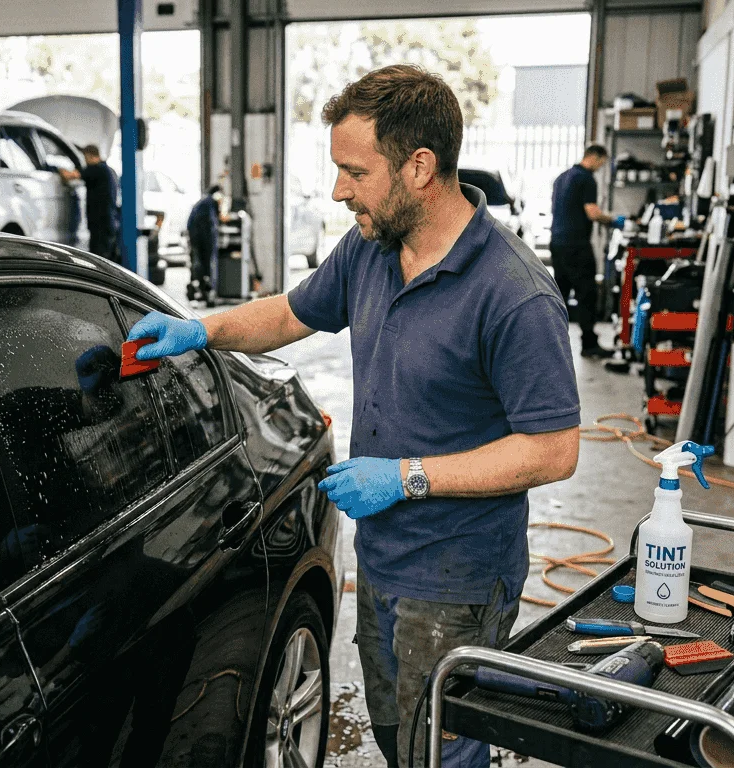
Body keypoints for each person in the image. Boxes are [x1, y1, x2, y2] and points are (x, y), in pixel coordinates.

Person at [125, 64, 581, 768]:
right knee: (398, 739)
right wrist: (202, 330)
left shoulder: (513, 294)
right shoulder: (370, 248)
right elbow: (289, 313)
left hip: (457, 577)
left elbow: (554, 450)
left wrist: (406, 476)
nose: (339, 190)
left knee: (443, 755)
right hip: (383, 559)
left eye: (355, 171)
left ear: (419, 167)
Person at [549, 145, 625, 358]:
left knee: (559, 294)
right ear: (595, 157)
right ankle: (589, 343)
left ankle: (549, 343)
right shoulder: (586, 179)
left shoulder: (562, 177)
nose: (601, 167)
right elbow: (592, 213)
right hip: (577, 245)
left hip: (557, 242)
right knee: (586, 293)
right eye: (602, 162)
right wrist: (613, 220)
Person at [80, 144, 120, 262]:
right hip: (109, 222)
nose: (85, 162)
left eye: (85, 158)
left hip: (100, 224)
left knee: (98, 260)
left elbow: (71, 176)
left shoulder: (96, 169)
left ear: (91, 156)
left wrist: (58, 170)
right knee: (107, 259)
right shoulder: (108, 170)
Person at [185, 185, 222, 303]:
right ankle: (203, 290)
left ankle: (199, 289)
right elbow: (213, 222)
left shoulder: (202, 202)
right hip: (202, 239)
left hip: (196, 238)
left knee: (197, 263)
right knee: (203, 265)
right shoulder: (209, 203)